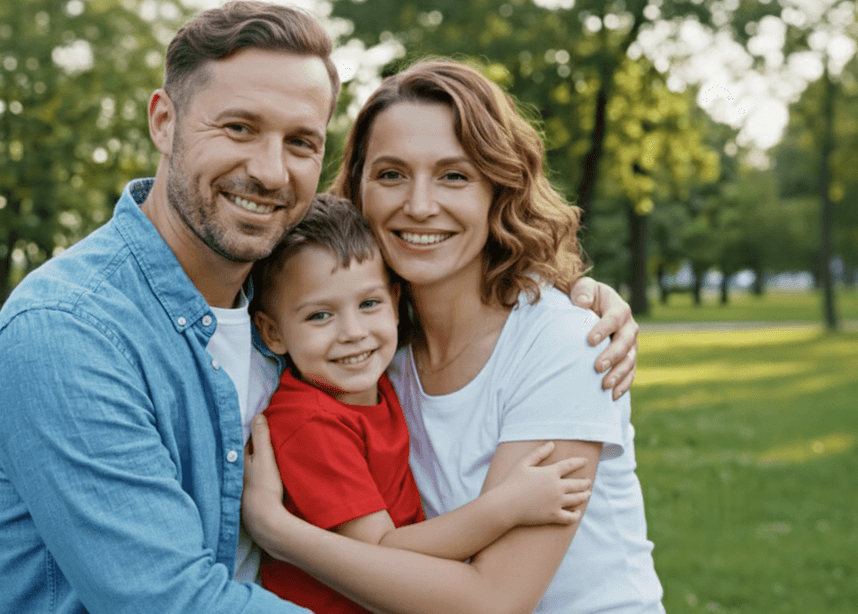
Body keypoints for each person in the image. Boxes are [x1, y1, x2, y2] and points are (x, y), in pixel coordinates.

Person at [0, 0, 637, 613]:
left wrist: (576, 297)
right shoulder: (72, 333)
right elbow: (170, 600)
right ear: (164, 122)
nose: (270, 170)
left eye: (300, 142)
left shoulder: (310, 320)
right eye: (239, 127)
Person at [242, 60, 662, 614]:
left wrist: (278, 532)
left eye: (454, 176)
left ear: (499, 189)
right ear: (359, 190)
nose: (419, 206)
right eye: (391, 175)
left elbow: (494, 601)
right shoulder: (368, 349)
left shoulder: (566, 344)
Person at [250, 193, 593, 613]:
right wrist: (507, 506)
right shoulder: (309, 422)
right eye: (320, 315)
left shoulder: (375, 382)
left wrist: (583, 292)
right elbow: (380, 549)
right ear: (273, 333)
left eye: (369, 304)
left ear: (395, 304)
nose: (353, 332)